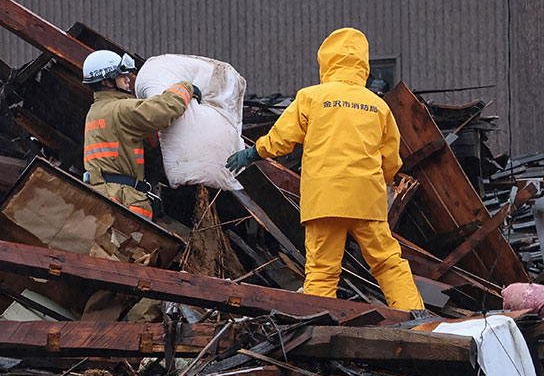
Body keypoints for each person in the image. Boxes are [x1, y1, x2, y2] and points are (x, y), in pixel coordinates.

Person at [225, 27, 424, 312]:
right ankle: (416, 318)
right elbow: (390, 159)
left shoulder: (311, 97)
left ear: (327, 61)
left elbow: (282, 138)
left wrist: (253, 152)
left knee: (322, 271)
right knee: (387, 262)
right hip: (367, 200)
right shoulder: (378, 106)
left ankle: (320, 322)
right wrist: (379, 182)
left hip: (324, 200)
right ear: (363, 64)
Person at [81, 49, 201, 219]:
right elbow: (163, 110)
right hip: (123, 198)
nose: (128, 78)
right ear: (107, 81)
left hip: (106, 192)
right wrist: (186, 88)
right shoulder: (120, 109)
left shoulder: (96, 111)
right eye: (121, 75)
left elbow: (125, 142)